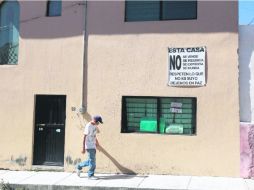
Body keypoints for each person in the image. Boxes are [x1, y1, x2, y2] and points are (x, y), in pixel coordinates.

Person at [75, 115, 103, 180]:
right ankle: (90, 175)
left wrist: (97, 142)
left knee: (90, 161)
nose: (98, 123)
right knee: (92, 162)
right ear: (95, 121)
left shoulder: (95, 126)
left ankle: (78, 166)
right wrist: (83, 148)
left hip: (93, 145)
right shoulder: (88, 126)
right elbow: (84, 137)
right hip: (89, 145)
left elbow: (94, 135)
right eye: (98, 122)